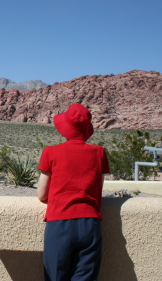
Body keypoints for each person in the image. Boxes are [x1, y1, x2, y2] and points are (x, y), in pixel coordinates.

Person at [37, 103, 110, 281]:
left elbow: (41, 195)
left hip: (59, 222)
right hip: (90, 223)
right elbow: (98, 187)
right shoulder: (99, 152)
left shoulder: (50, 152)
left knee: (55, 275)